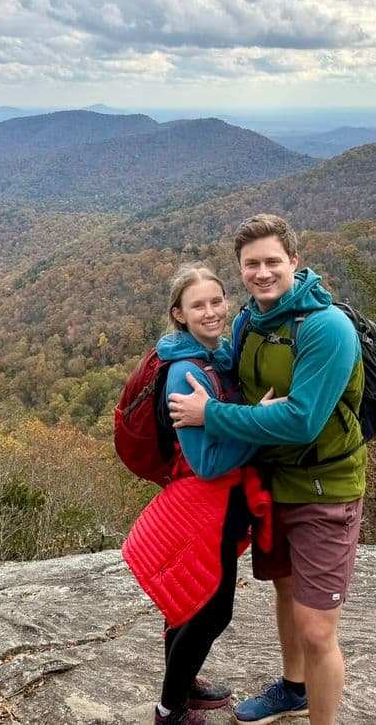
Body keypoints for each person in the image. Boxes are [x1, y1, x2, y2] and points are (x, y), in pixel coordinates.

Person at [168, 215, 365, 725]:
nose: (262, 272)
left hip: (324, 487)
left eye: (273, 261)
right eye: (251, 264)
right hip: (271, 485)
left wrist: (210, 415)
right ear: (240, 268)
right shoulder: (249, 322)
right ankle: (294, 690)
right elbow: (232, 380)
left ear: (294, 262)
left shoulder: (326, 328)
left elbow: (301, 420)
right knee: (285, 589)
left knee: (317, 629)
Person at [121, 264, 274, 725]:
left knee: (188, 604)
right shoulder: (187, 373)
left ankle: (184, 683)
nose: (210, 312)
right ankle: (170, 710)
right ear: (179, 314)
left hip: (219, 505)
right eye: (197, 306)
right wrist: (260, 424)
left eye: (216, 301)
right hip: (202, 506)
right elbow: (206, 462)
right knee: (211, 612)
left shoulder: (217, 357)